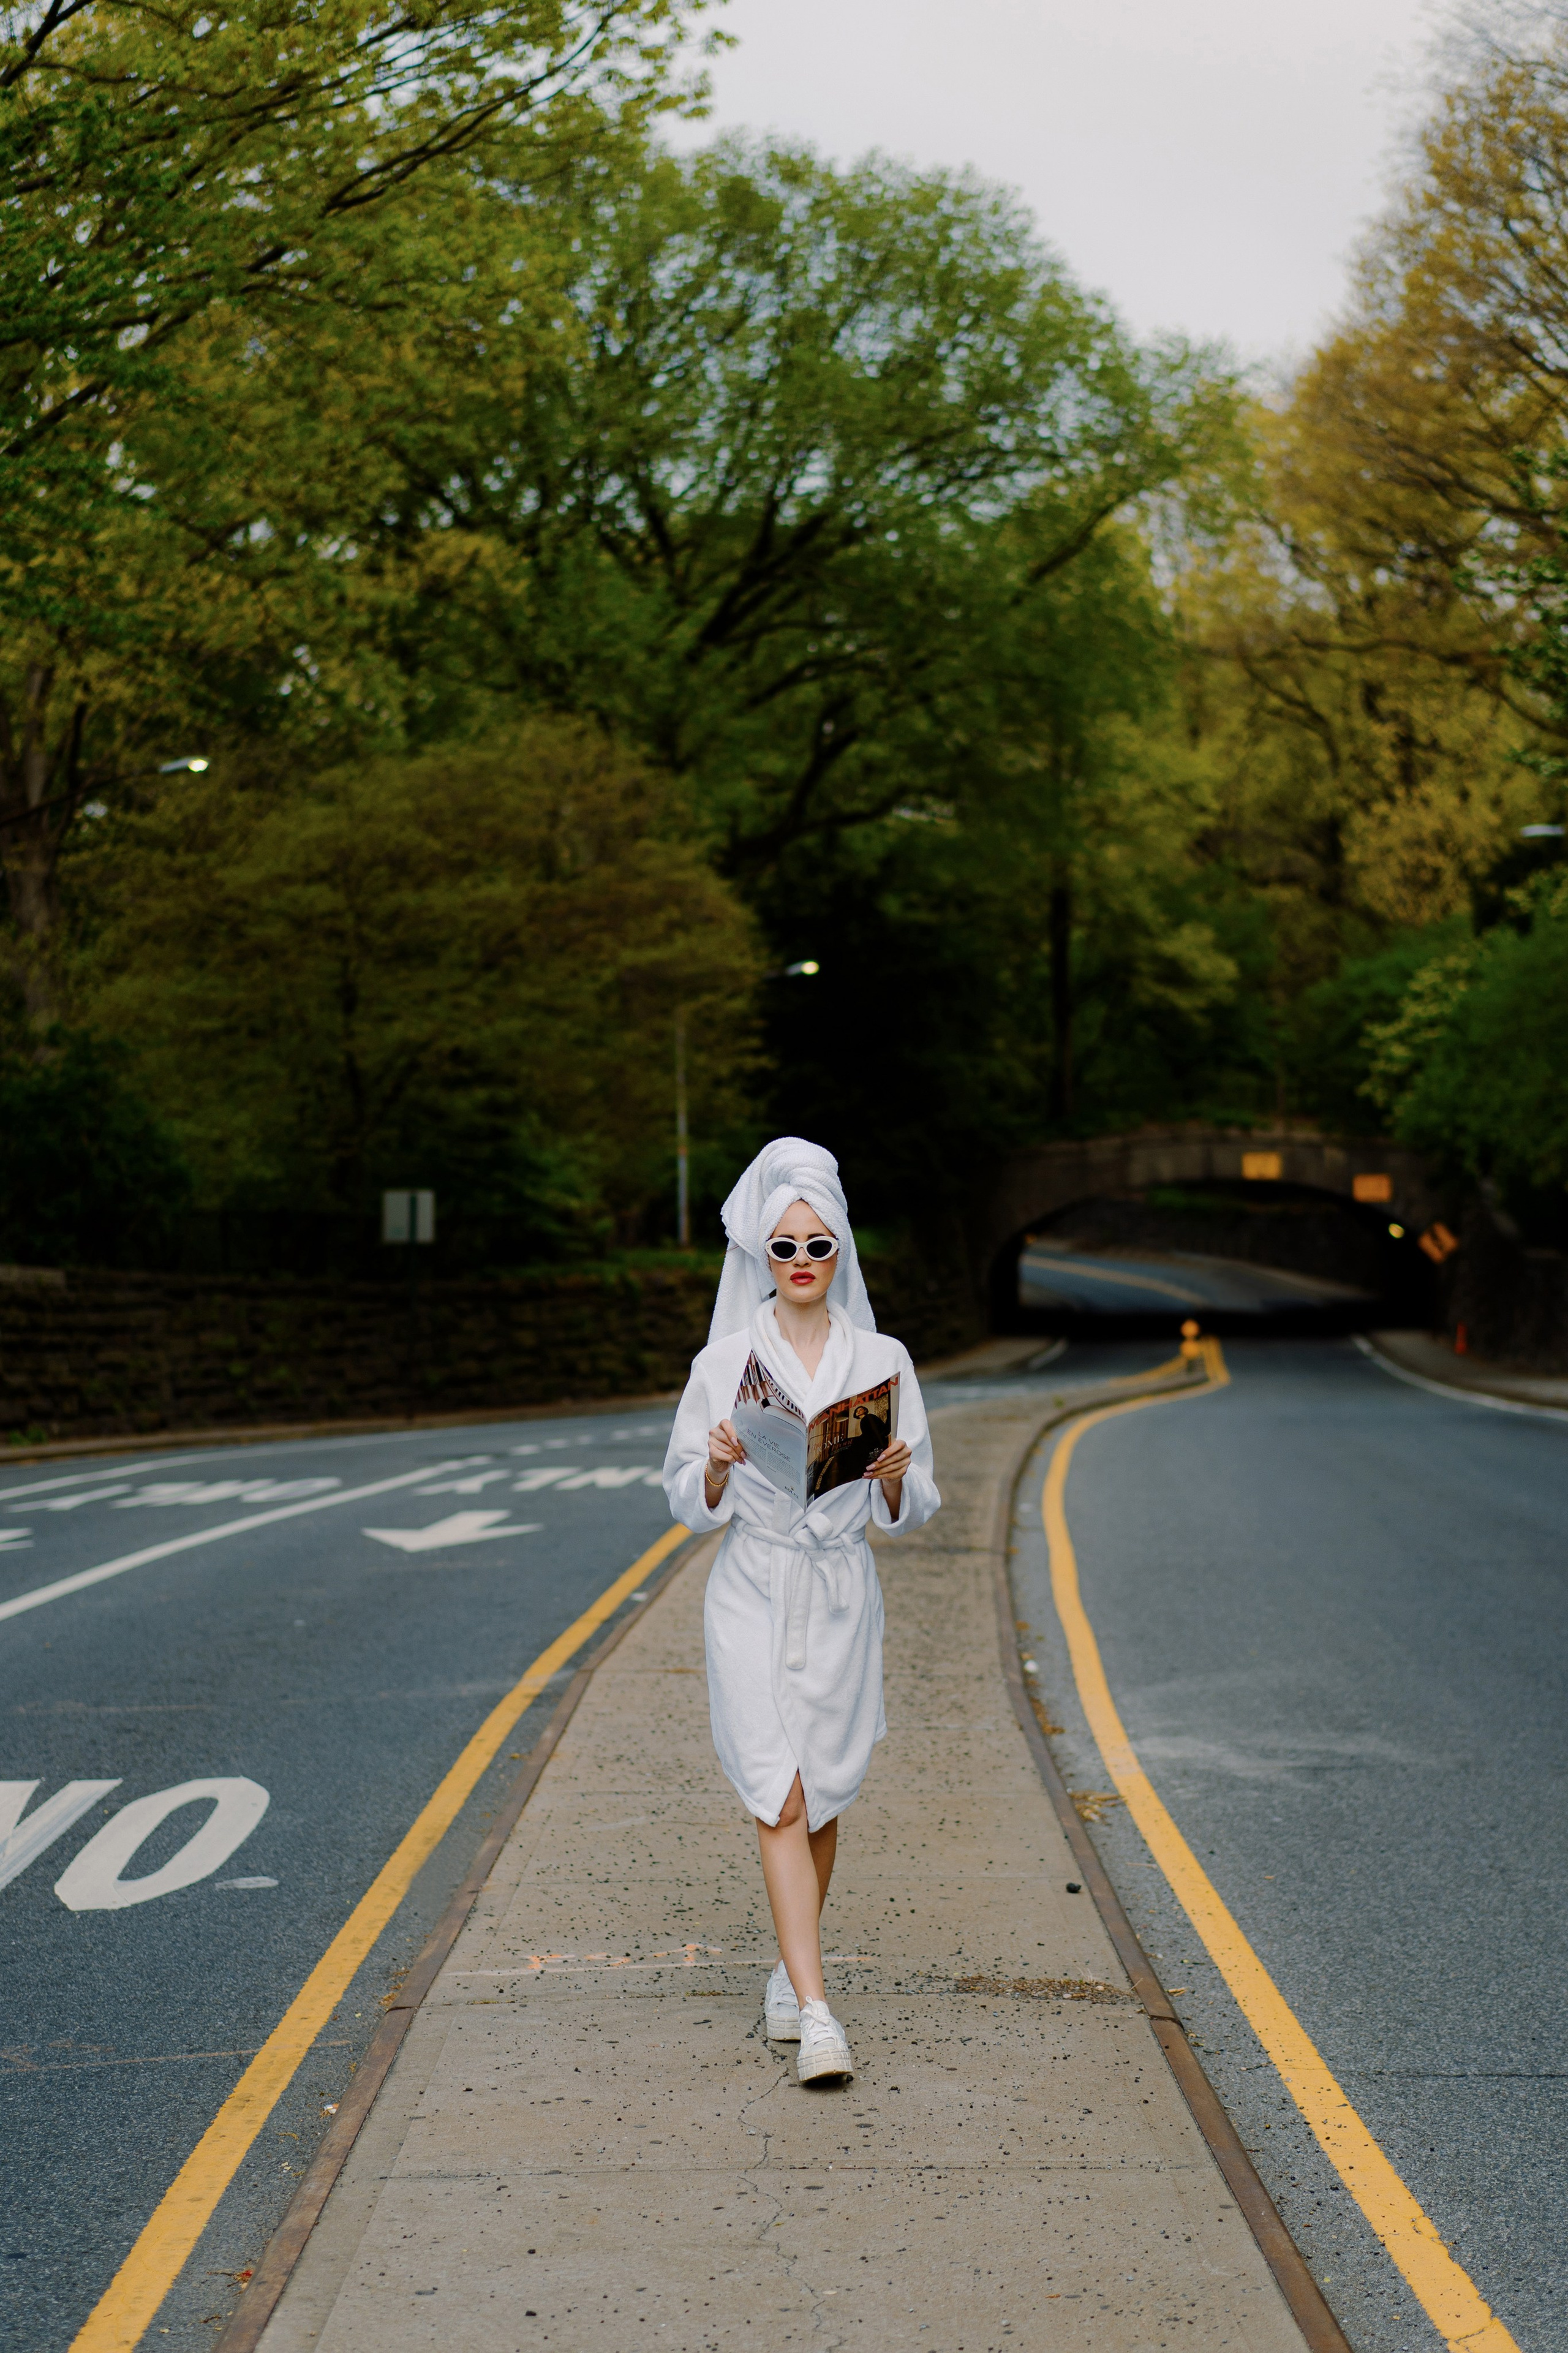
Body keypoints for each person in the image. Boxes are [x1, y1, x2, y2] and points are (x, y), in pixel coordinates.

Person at [662, 1138, 941, 2084]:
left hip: (839, 1594)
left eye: (818, 1246)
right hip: (752, 1587)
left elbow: (914, 1507)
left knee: (820, 1791)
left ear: (842, 1250)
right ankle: (818, 2011)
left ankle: (791, 1966)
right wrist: (715, 1463)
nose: (803, 1264)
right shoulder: (726, 1361)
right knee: (777, 1792)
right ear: (761, 1257)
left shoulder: (884, 1359)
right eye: (784, 1249)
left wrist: (897, 1479)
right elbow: (681, 1498)